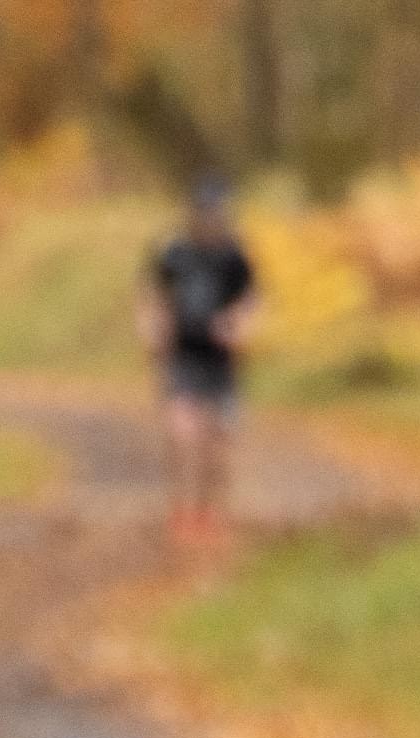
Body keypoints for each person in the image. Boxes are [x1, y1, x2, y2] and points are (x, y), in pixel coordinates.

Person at [140, 174, 258, 547]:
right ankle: (181, 509)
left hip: (221, 362)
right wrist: (153, 328)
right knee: (181, 432)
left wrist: (238, 327)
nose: (210, 218)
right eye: (204, 211)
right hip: (183, 357)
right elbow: (151, 294)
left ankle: (210, 512)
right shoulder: (174, 254)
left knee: (218, 441)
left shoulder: (234, 257)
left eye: (215, 211)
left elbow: (252, 300)